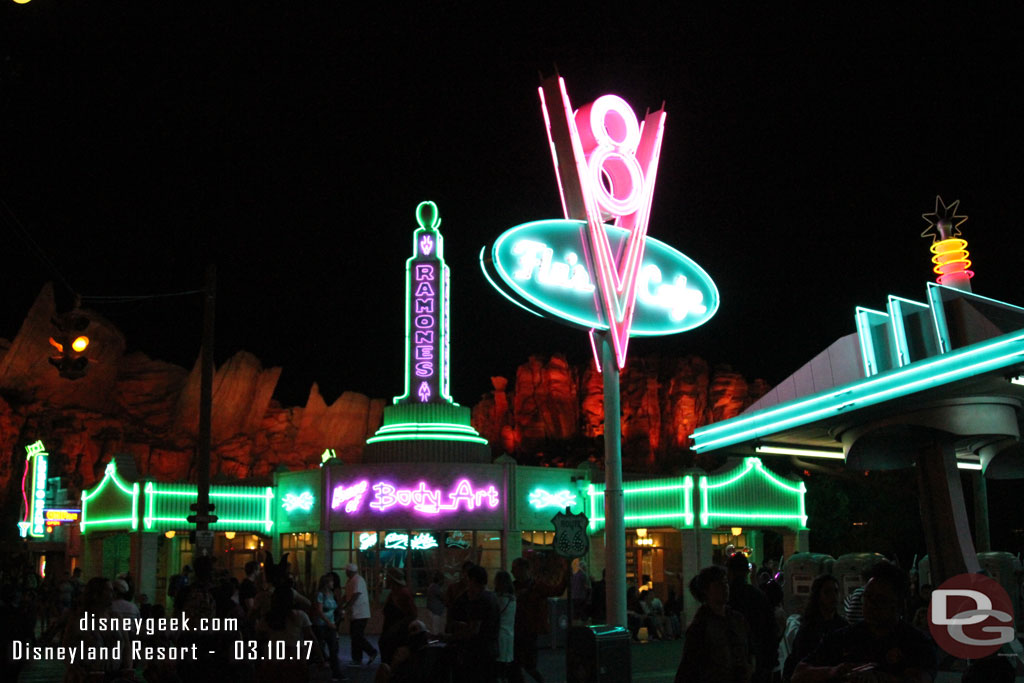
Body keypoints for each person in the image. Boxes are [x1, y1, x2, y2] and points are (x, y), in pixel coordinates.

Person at [792, 563, 935, 683]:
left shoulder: (916, 643)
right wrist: (834, 671)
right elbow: (798, 674)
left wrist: (879, 678)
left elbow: (922, 678)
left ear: (898, 604)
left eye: (879, 600)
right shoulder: (844, 637)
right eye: (867, 598)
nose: (870, 605)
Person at [675, 565, 753, 683]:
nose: (725, 588)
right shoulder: (700, 626)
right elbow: (689, 666)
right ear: (706, 590)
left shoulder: (737, 619)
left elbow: (749, 649)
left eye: (725, 583)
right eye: (718, 584)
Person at [510, 556, 567, 683]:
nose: (512, 571)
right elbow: (557, 590)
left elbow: (557, 590)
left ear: (524, 569)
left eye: (514, 569)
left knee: (525, 663)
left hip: (526, 630)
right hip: (522, 629)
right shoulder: (529, 586)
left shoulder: (531, 587)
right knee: (520, 664)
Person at [782, 575, 846, 682]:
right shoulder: (808, 628)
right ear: (818, 595)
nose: (833, 596)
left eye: (836, 591)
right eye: (827, 592)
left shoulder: (842, 625)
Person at [256, 584, 325, 682]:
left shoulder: (267, 618)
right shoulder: (300, 616)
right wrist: (320, 657)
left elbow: (259, 639)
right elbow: (310, 637)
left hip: (273, 658)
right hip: (295, 657)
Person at [727, 552, 778, 683]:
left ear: (730, 572)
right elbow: (771, 628)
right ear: (747, 572)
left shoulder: (726, 598)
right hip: (759, 657)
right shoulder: (758, 596)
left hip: (731, 661)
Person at [446, 564, 500, 683]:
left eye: (467, 578)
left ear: (472, 580)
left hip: (478, 652)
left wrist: (450, 637)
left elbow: (473, 630)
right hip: (490, 649)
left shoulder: (480, 600)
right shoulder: (491, 597)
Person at [380, 566, 418, 666]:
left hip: (397, 635)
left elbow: (413, 614)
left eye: (387, 577)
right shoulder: (394, 593)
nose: (385, 579)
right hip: (392, 633)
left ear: (392, 579)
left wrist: (396, 627)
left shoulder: (402, 593)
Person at [341, 562, 378, 665]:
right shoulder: (353, 580)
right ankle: (357, 658)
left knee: (356, 636)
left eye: (346, 571)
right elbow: (349, 595)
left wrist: (346, 607)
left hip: (360, 613)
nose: (345, 573)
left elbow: (355, 595)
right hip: (357, 613)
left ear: (349, 571)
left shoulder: (357, 580)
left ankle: (371, 652)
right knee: (355, 636)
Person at [494, 570, 517, 683]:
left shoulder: (498, 599)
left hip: (499, 635)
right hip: (510, 635)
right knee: (506, 665)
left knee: (498, 666)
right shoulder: (513, 599)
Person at [426, 570, 447, 635]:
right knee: (435, 631)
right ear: (440, 580)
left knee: (434, 629)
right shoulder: (435, 587)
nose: (444, 581)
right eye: (443, 579)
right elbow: (443, 597)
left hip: (433, 612)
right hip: (435, 613)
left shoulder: (432, 586)